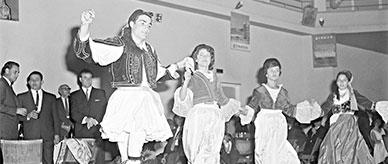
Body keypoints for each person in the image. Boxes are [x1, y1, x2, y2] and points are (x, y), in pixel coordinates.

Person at [73, 9, 187, 164]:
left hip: (145, 96)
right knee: (125, 133)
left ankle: (133, 160)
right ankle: (128, 160)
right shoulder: (121, 44)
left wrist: (180, 64)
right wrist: (85, 25)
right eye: (142, 22)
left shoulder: (149, 50)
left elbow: (157, 73)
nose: (147, 27)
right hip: (126, 95)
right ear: (131, 24)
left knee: (137, 130)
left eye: (149, 25)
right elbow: (89, 51)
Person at [172, 44, 242, 164]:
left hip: (215, 115)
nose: (205, 57)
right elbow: (183, 98)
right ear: (196, 59)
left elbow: (222, 98)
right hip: (199, 114)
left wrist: (240, 110)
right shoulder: (192, 75)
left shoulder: (215, 76)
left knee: (213, 151)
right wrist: (186, 80)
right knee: (198, 150)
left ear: (211, 59)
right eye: (201, 55)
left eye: (208, 55)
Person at [239, 58, 300, 164]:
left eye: (277, 70)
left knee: (283, 154)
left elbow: (289, 109)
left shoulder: (283, 92)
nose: (274, 73)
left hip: (279, 124)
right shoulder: (259, 91)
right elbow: (251, 107)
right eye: (271, 70)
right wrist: (241, 111)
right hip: (265, 124)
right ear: (266, 73)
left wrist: (306, 111)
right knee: (265, 154)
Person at [318, 70, 374, 164]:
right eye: (339, 80)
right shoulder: (333, 96)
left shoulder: (352, 93)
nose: (342, 82)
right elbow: (325, 107)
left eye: (344, 80)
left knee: (349, 149)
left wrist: (375, 106)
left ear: (348, 82)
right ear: (336, 82)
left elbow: (364, 101)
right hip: (335, 124)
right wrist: (317, 113)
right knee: (330, 147)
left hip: (348, 124)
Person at [17, 71, 57, 164]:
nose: (34, 82)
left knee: (48, 161)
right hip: (30, 135)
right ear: (28, 82)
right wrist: (28, 116)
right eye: (31, 80)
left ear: (42, 82)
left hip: (48, 136)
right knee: (31, 161)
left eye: (37, 80)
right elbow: (17, 117)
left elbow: (56, 117)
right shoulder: (21, 97)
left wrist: (57, 134)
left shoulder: (51, 97)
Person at [70, 69, 107, 164]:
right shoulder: (74, 95)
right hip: (81, 133)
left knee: (98, 160)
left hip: (97, 132)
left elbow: (104, 110)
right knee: (82, 160)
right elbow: (73, 113)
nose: (88, 80)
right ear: (80, 79)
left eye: (90, 78)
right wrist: (87, 119)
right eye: (85, 78)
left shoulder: (100, 93)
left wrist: (95, 121)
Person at [0, 61, 27, 163]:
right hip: (4, 132)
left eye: (18, 73)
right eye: (15, 72)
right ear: (6, 71)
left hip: (8, 132)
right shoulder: (2, 84)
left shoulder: (8, 86)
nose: (17, 75)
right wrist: (16, 110)